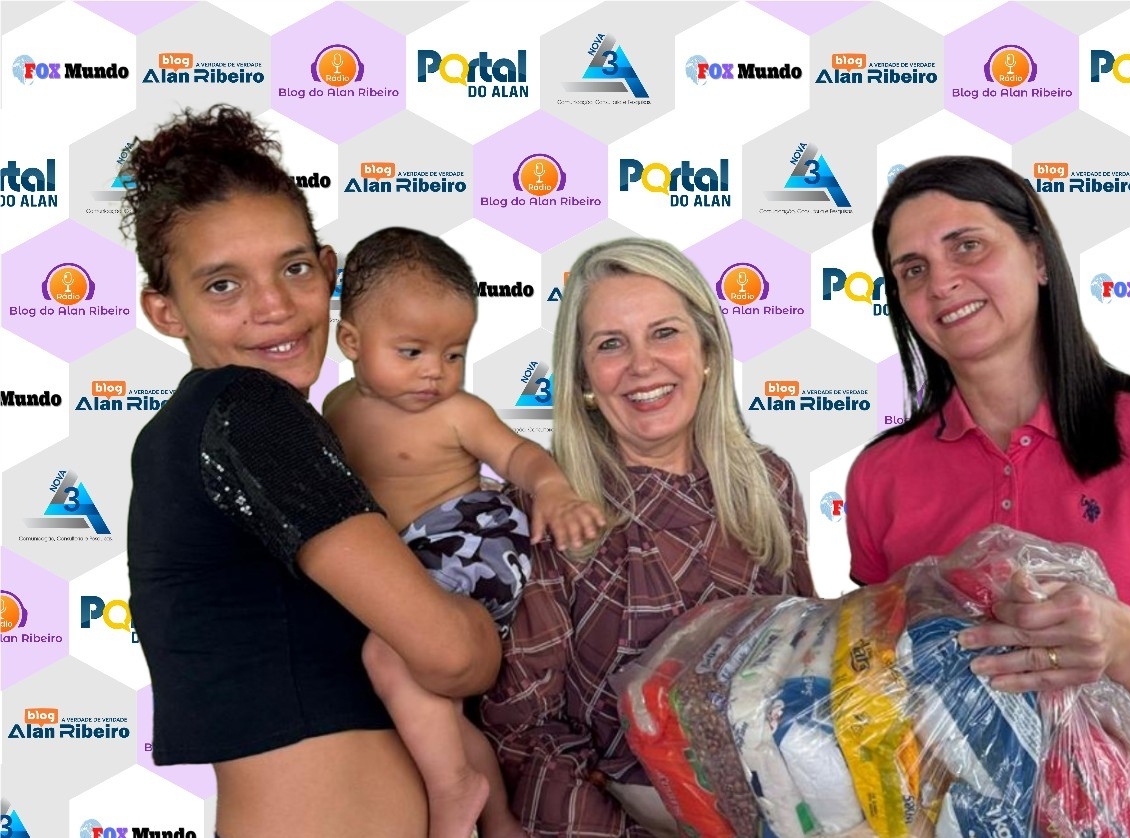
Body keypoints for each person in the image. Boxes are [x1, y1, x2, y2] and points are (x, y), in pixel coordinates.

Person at [123, 105, 501, 838]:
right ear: (165, 311)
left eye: (294, 268)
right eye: (223, 285)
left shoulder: (184, 434)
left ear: (329, 270)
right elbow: (453, 656)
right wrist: (493, 608)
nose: (274, 307)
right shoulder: (247, 410)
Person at [844, 156, 1130, 837]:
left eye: (967, 245)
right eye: (913, 270)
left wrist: (1119, 640)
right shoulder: (880, 475)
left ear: (1039, 257)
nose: (942, 282)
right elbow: (875, 701)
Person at [478, 238, 816, 837]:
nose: (642, 365)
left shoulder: (769, 482)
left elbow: (805, 665)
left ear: (707, 350)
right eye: (611, 344)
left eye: (664, 333)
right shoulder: (546, 512)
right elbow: (524, 737)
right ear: (584, 378)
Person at [323, 226, 606, 838]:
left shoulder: (457, 413)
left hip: (472, 537)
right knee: (436, 709)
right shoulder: (336, 408)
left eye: (454, 354)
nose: (435, 372)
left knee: (389, 654)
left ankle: (450, 787)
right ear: (351, 341)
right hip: (407, 554)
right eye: (412, 352)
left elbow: (517, 454)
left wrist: (552, 488)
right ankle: (498, 820)